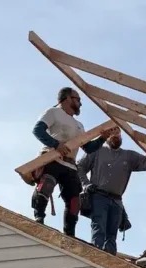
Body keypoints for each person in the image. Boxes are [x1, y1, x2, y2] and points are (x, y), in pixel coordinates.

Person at [31, 87, 108, 237]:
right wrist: (55, 144)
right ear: (67, 98)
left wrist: (102, 138)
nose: (80, 104)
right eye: (78, 99)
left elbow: (88, 148)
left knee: (74, 200)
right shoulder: (53, 113)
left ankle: (69, 234)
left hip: (70, 165)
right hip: (52, 158)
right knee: (46, 185)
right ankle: (39, 217)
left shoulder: (79, 125)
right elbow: (37, 130)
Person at [77, 125, 146, 255]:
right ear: (106, 135)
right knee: (99, 228)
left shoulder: (128, 156)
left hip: (116, 200)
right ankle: (95, 256)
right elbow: (80, 167)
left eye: (117, 132)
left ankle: (110, 260)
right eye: (111, 132)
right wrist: (86, 184)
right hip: (99, 196)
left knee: (112, 234)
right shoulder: (97, 151)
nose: (115, 135)